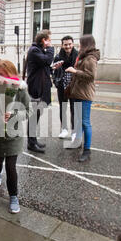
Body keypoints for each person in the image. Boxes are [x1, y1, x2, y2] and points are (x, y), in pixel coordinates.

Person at [0, 60, 32, 213]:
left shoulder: (20, 89)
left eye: (2, 76)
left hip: (14, 135)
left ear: (11, 74)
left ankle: (13, 196)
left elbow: (29, 110)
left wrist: (14, 114)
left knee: (11, 167)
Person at [65, 34, 99, 162]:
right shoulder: (84, 56)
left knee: (85, 122)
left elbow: (91, 76)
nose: (79, 46)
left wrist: (74, 71)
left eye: (81, 44)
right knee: (79, 121)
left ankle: (87, 150)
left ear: (86, 44)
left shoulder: (91, 58)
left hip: (84, 94)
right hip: (78, 93)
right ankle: (77, 143)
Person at [26, 29, 54, 153]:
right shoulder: (34, 50)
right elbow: (46, 60)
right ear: (44, 40)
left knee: (36, 115)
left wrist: (52, 67)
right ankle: (31, 143)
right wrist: (51, 49)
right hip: (35, 89)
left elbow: (44, 65)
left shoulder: (39, 50)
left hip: (40, 87)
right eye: (49, 40)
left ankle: (33, 141)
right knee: (33, 116)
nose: (50, 42)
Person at [52, 35, 79, 140]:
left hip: (74, 87)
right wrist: (55, 81)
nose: (68, 46)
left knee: (74, 109)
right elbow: (53, 71)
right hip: (62, 87)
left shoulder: (77, 56)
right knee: (63, 108)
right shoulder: (58, 57)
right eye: (65, 44)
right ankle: (64, 130)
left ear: (73, 44)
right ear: (62, 45)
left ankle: (74, 132)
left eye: (69, 44)